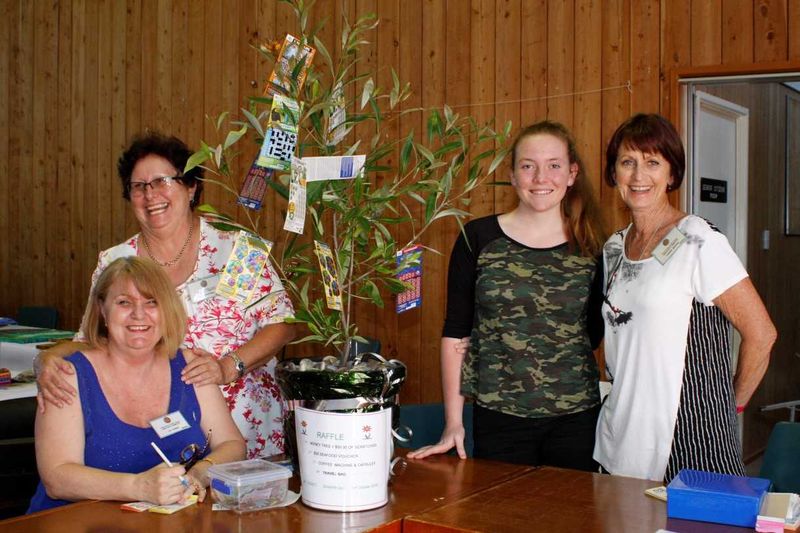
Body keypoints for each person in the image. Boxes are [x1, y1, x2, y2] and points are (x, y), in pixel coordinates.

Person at [36, 132, 295, 459]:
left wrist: (230, 367)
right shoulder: (114, 262)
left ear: (191, 187)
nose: (150, 195)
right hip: (158, 438)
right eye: (138, 186)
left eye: (161, 181)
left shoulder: (237, 250)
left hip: (246, 425)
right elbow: (93, 340)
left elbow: (283, 322)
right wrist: (48, 357)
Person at [408, 121, 607, 469]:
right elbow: (456, 331)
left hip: (576, 420)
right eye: (528, 166)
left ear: (572, 173)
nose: (541, 178)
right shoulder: (478, 237)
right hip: (499, 418)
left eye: (554, 165)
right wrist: (453, 422)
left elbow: (593, 333)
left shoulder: (592, 244)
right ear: (513, 176)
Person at [595, 113, 776, 482]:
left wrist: (730, 406)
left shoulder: (699, 239)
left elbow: (762, 334)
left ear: (672, 174)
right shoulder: (613, 247)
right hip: (622, 432)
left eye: (652, 163)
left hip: (692, 435)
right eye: (627, 162)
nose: (638, 176)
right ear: (614, 173)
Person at [28, 257, 246, 512]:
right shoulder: (67, 374)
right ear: (102, 310)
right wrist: (138, 487)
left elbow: (232, 445)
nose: (139, 314)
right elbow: (57, 478)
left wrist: (199, 474)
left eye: (152, 303)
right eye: (124, 303)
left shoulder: (190, 366)